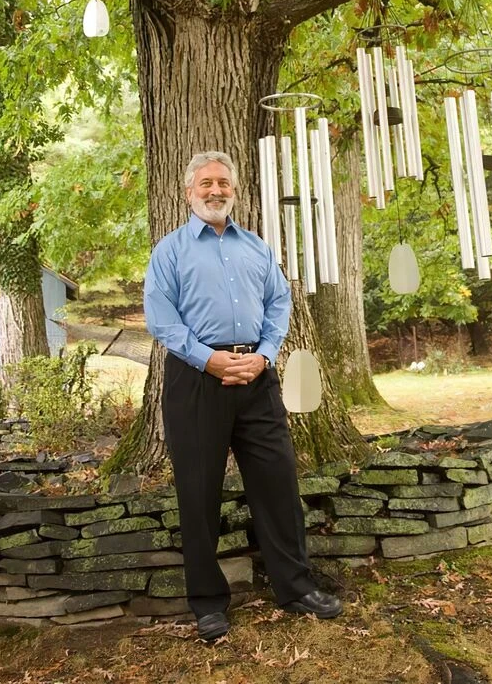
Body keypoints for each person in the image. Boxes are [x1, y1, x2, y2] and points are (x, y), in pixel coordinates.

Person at [144, 151, 342, 642]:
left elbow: (280, 301)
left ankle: (296, 588)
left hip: (256, 378)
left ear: (235, 190)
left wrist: (267, 353)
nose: (215, 191)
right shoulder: (169, 251)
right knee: (198, 492)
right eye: (206, 183)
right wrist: (206, 359)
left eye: (223, 183)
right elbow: (160, 318)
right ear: (188, 192)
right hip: (196, 380)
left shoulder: (255, 246)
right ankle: (208, 604)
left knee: (278, 485)